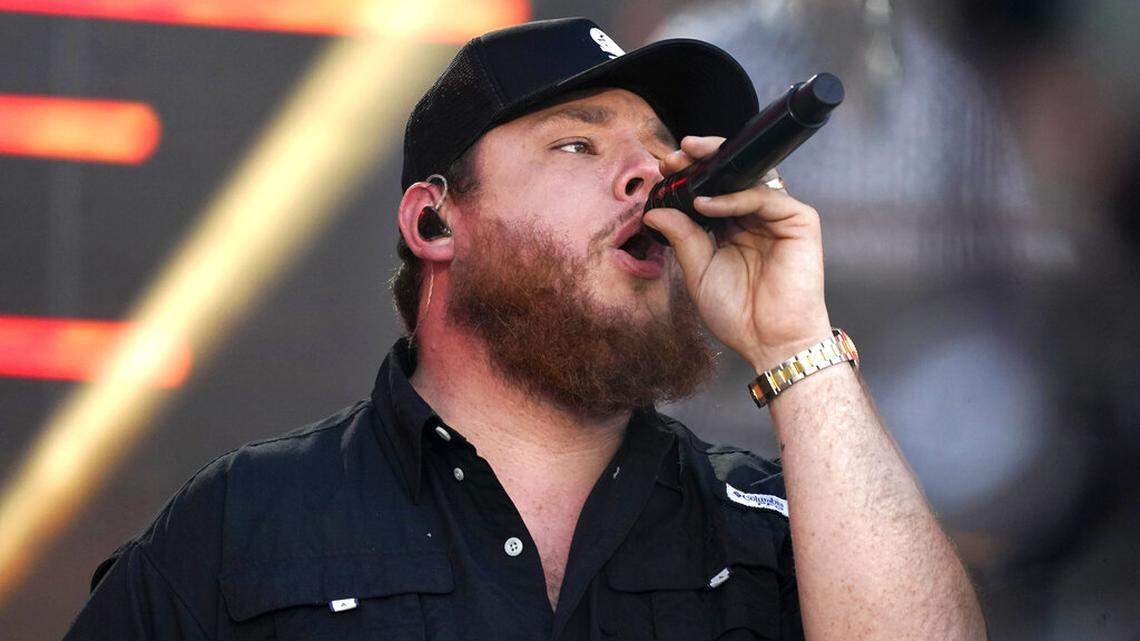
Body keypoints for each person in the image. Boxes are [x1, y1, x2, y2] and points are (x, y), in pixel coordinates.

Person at [62, 17, 986, 641]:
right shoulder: (244, 524)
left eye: (662, 154)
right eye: (578, 143)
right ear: (433, 222)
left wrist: (796, 345)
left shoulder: (781, 525)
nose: (649, 177)